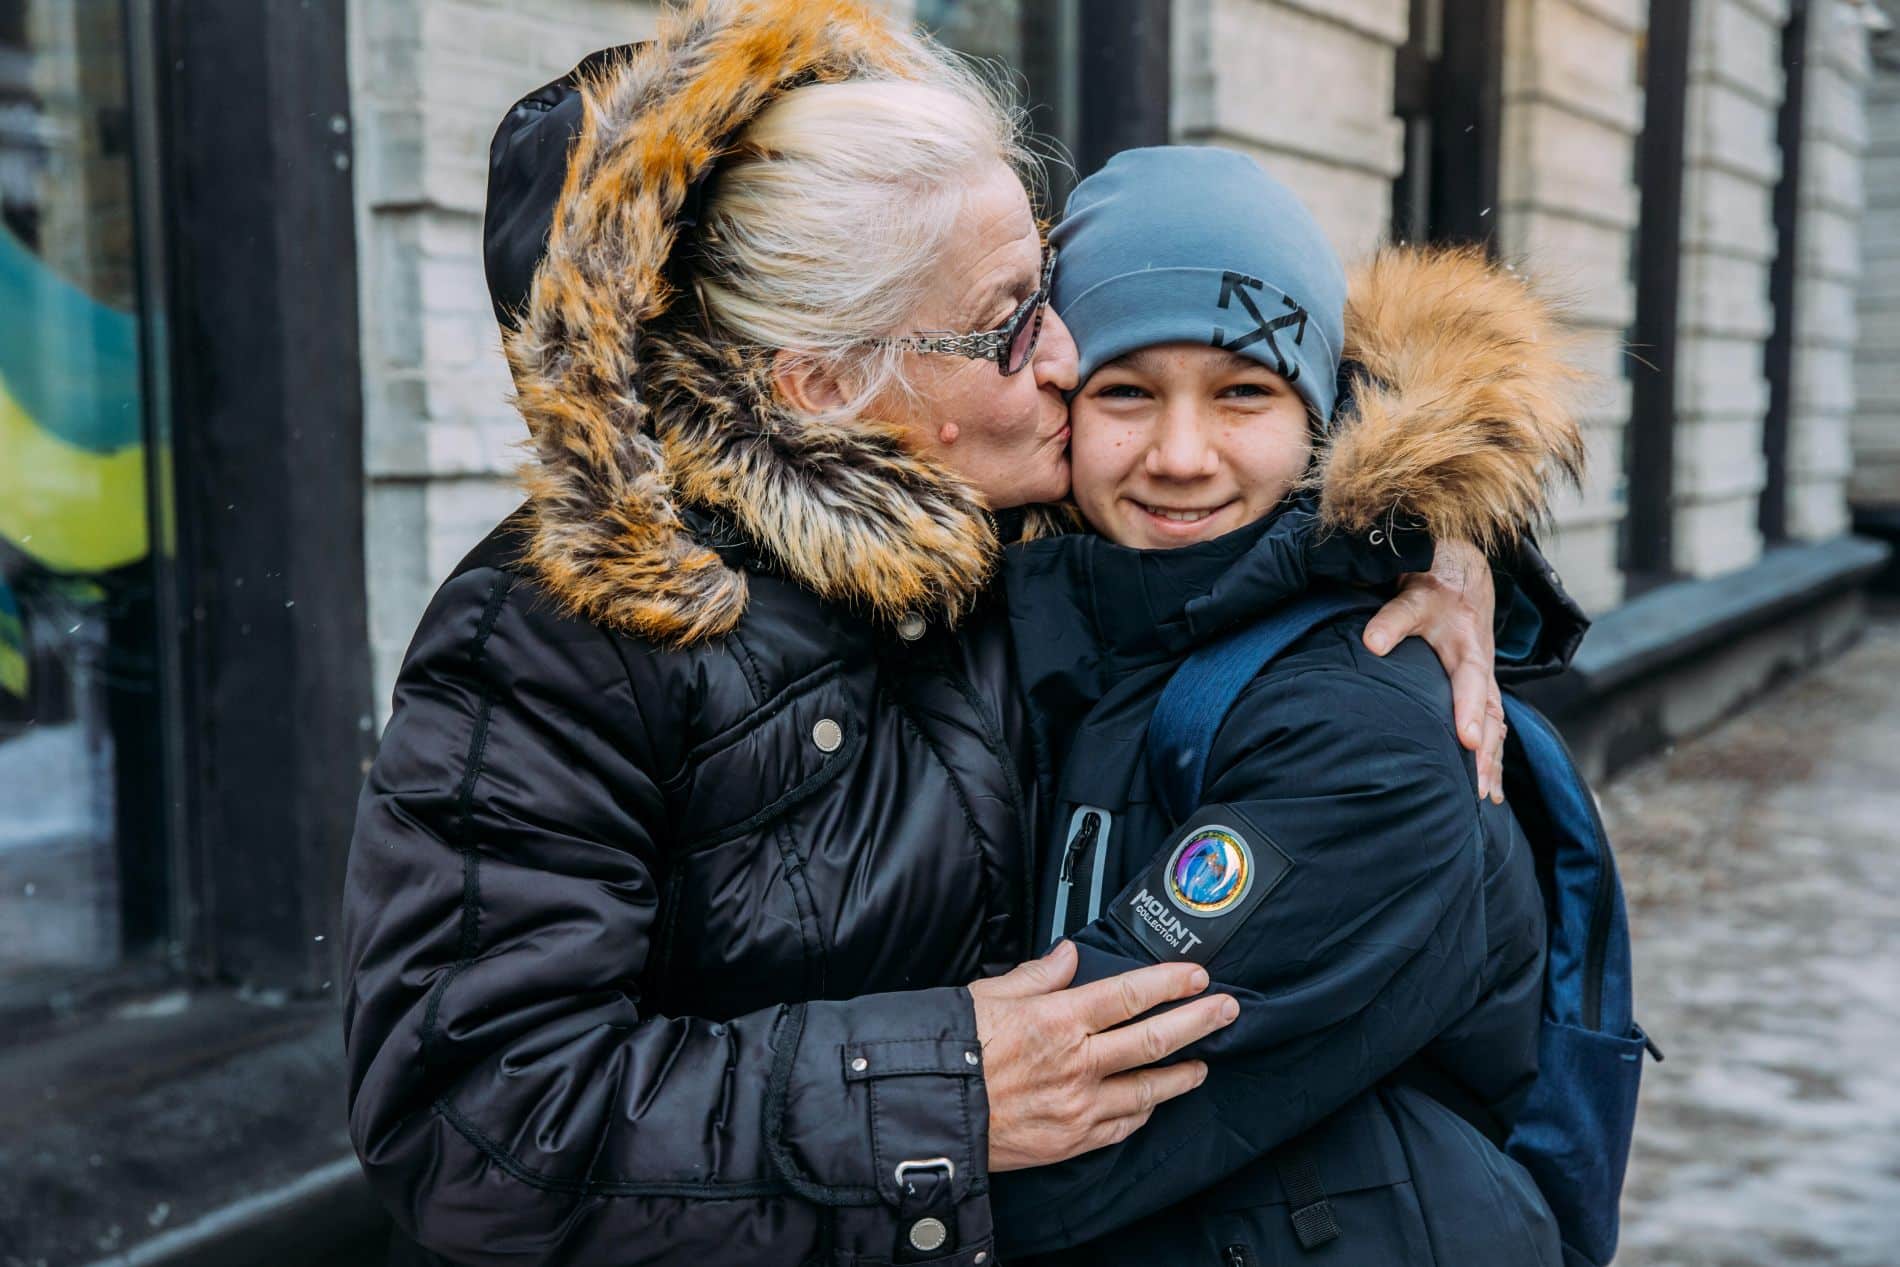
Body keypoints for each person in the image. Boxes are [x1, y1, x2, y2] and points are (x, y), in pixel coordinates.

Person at [340, 3, 1585, 1263]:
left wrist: (1422, 524)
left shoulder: (1018, 514)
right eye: (1006, 320)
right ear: (823, 384)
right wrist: (941, 1091)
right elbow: (474, 1122)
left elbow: (1247, 362)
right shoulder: (559, 635)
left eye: (1047, 280)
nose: (1064, 354)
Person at [990, 146, 1580, 1264]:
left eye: (1242, 393)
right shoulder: (1070, 617)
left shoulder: (1364, 716)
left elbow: (1084, 1109)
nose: (1178, 455)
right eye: (1126, 392)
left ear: (1322, 416)